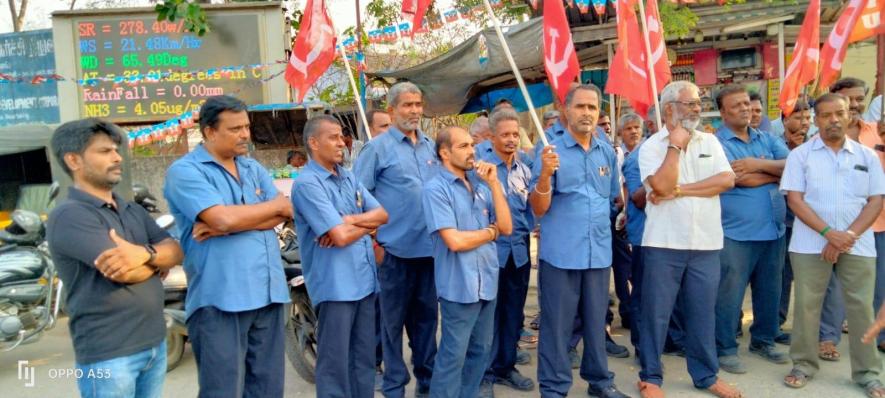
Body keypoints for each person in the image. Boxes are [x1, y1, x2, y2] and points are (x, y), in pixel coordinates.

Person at [163, 95, 293, 397]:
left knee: (267, 389)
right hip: (221, 299)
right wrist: (242, 217)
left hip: (268, 292)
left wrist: (232, 221)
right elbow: (222, 219)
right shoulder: (186, 172)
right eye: (235, 129)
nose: (245, 134)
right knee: (223, 391)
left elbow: (286, 209)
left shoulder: (251, 168)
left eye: (246, 127)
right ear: (209, 131)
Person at [47, 118, 184, 398]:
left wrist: (144, 254)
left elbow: (177, 250)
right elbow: (124, 272)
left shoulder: (131, 209)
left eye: (116, 150)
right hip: (108, 355)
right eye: (105, 151)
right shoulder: (70, 215)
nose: (117, 157)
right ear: (73, 160)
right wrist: (156, 260)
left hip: (154, 344)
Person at [636, 81, 741, 398]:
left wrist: (681, 191)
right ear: (670, 109)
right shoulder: (652, 147)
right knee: (656, 314)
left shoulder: (710, 140)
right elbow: (662, 186)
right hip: (664, 244)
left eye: (699, 102)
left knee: (701, 312)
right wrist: (675, 147)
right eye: (691, 103)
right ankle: (651, 377)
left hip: (706, 244)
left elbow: (726, 180)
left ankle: (706, 375)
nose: (698, 108)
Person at [780, 93, 885, 397]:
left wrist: (847, 236)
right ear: (816, 119)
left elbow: (876, 201)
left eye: (839, 113)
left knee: (861, 309)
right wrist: (829, 233)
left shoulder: (866, 156)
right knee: (807, 307)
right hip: (809, 244)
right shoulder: (801, 156)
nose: (834, 120)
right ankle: (803, 364)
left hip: (858, 244)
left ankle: (868, 373)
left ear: (850, 114)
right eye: (826, 115)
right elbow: (795, 200)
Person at [529, 84, 629, 398]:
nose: (587, 113)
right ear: (565, 111)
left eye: (592, 107)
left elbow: (613, 196)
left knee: (596, 322)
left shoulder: (606, 152)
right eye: (580, 107)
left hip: (598, 254)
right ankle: (554, 388)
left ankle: (600, 383)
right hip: (561, 256)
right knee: (557, 329)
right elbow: (538, 207)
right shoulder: (549, 151)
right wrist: (545, 175)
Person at [290, 115, 389, 398]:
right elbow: (340, 236)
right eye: (333, 137)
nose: (341, 143)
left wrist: (348, 221)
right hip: (336, 287)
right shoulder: (308, 184)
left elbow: (383, 215)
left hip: (365, 282)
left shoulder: (348, 177)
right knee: (335, 366)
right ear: (313, 143)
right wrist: (363, 226)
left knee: (363, 360)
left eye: (341, 136)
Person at [354, 81, 440, 398]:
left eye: (418, 104)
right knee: (391, 330)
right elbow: (357, 200)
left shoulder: (432, 147)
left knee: (427, 328)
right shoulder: (376, 149)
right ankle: (394, 389)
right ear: (392, 110)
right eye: (407, 105)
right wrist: (375, 245)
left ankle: (427, 387)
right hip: (393, 256)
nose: (414, 111)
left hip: (430, 255)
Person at [422, 126, 513, 398]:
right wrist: (490, 232)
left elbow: (507, 226)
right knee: (452, 357)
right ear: (445, 153)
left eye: (472, 145)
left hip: (487, 282)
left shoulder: (481, 185)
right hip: (459, 286)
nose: (472, 151)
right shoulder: (436, 189)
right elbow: (455, 241)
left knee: (480, 351)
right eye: (463, 146)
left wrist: (495, 184)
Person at [712, 85, 791, 374]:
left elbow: (792, 167)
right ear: (723, 112)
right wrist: (773, 174)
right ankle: (725, 348)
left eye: (747, 103)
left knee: (770, 289)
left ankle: (763, 340)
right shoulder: (717, 144)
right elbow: (734, 179)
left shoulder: (766, 138)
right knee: (729, 295)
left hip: (773, 229)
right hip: (736, 233)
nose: (745, 109)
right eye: (736, 106)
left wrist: (757, 165)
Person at [817, 78, 885, 360]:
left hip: (876, 222)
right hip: (834, 224)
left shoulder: (876, 132)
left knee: (876, 283)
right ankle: (828, 338)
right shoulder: (820, 135)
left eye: (860, 99)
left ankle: (877, 336)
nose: (855, 105)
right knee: (832, 286)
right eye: (849, 99)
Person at [478, 108, 536, 396]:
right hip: (489, 249)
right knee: (489, 314)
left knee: (514, 312)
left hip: (520, 251)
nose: (512, 139)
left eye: (516, 134)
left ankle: (506, 366)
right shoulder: (480, 168)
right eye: (505, 135)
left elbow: (529, 209)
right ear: (491, 137)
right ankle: (484, 372)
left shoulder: (524, 167)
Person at [776, 99, 812, 346]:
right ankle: (774, 321)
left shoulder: (816, 145)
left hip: (813, 223)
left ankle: (799, 327)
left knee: (804, 278)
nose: (804, 123)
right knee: (781, 275)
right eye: (799, 117)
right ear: (785, 119)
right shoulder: (774, 143)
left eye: (808, 118)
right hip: (786, 222)